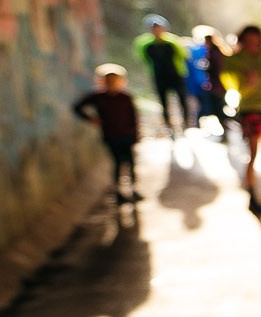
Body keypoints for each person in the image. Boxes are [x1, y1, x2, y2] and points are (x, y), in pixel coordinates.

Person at [221, 26, 261, 212]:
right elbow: (232, 86)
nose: (252, 44)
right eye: (248, 41)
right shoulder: (235, 61)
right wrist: (247, 82)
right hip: (251, 110)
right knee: (254, 153)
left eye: (255, 40)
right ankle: (252, 194)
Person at [72, 63, 142, 203]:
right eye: (109, 81)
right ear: (103, 82)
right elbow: (77, 107)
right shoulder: (98, 96)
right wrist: (91, 119)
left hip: (127, 136)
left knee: (130, 162)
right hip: (111, 136)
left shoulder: (125, 97)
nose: (112, 84)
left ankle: (133, 189)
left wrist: (136, 134)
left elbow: (133, 118)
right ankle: (118, 192)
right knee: (117, 163)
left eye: (114, 80)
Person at [133, 14, 192, 137]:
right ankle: (169, 126)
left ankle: (186, 123)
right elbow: (143, 58)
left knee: (182, 99)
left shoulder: (173, 41)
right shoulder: (145, 44)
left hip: (176, 75)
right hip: (159, 76)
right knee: (164, 102)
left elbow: (184, 55)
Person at [189, 25, 228, 133]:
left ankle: (226, 129)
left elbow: (217, 69)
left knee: (217, 109)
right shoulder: (212, 52)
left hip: (217, 86)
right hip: (216, 86)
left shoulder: (214, 53)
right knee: (216, 108)